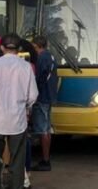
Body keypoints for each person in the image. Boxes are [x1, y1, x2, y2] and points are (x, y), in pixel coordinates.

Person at [0, 33, 38, 189]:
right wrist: (25, 107)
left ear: (2, 47)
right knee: (17, 161)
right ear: (19, 49)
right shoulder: (25, 67)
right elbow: (33, 95)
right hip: (18, 120)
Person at [31, 36, 58, 172]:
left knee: (43, 129)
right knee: (47, 128)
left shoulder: (41, 58)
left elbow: (39, 79)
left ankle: (45, 160)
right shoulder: (51, 57)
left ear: (36, 46)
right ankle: (46, 158)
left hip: (42, 97)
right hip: (49, 96)